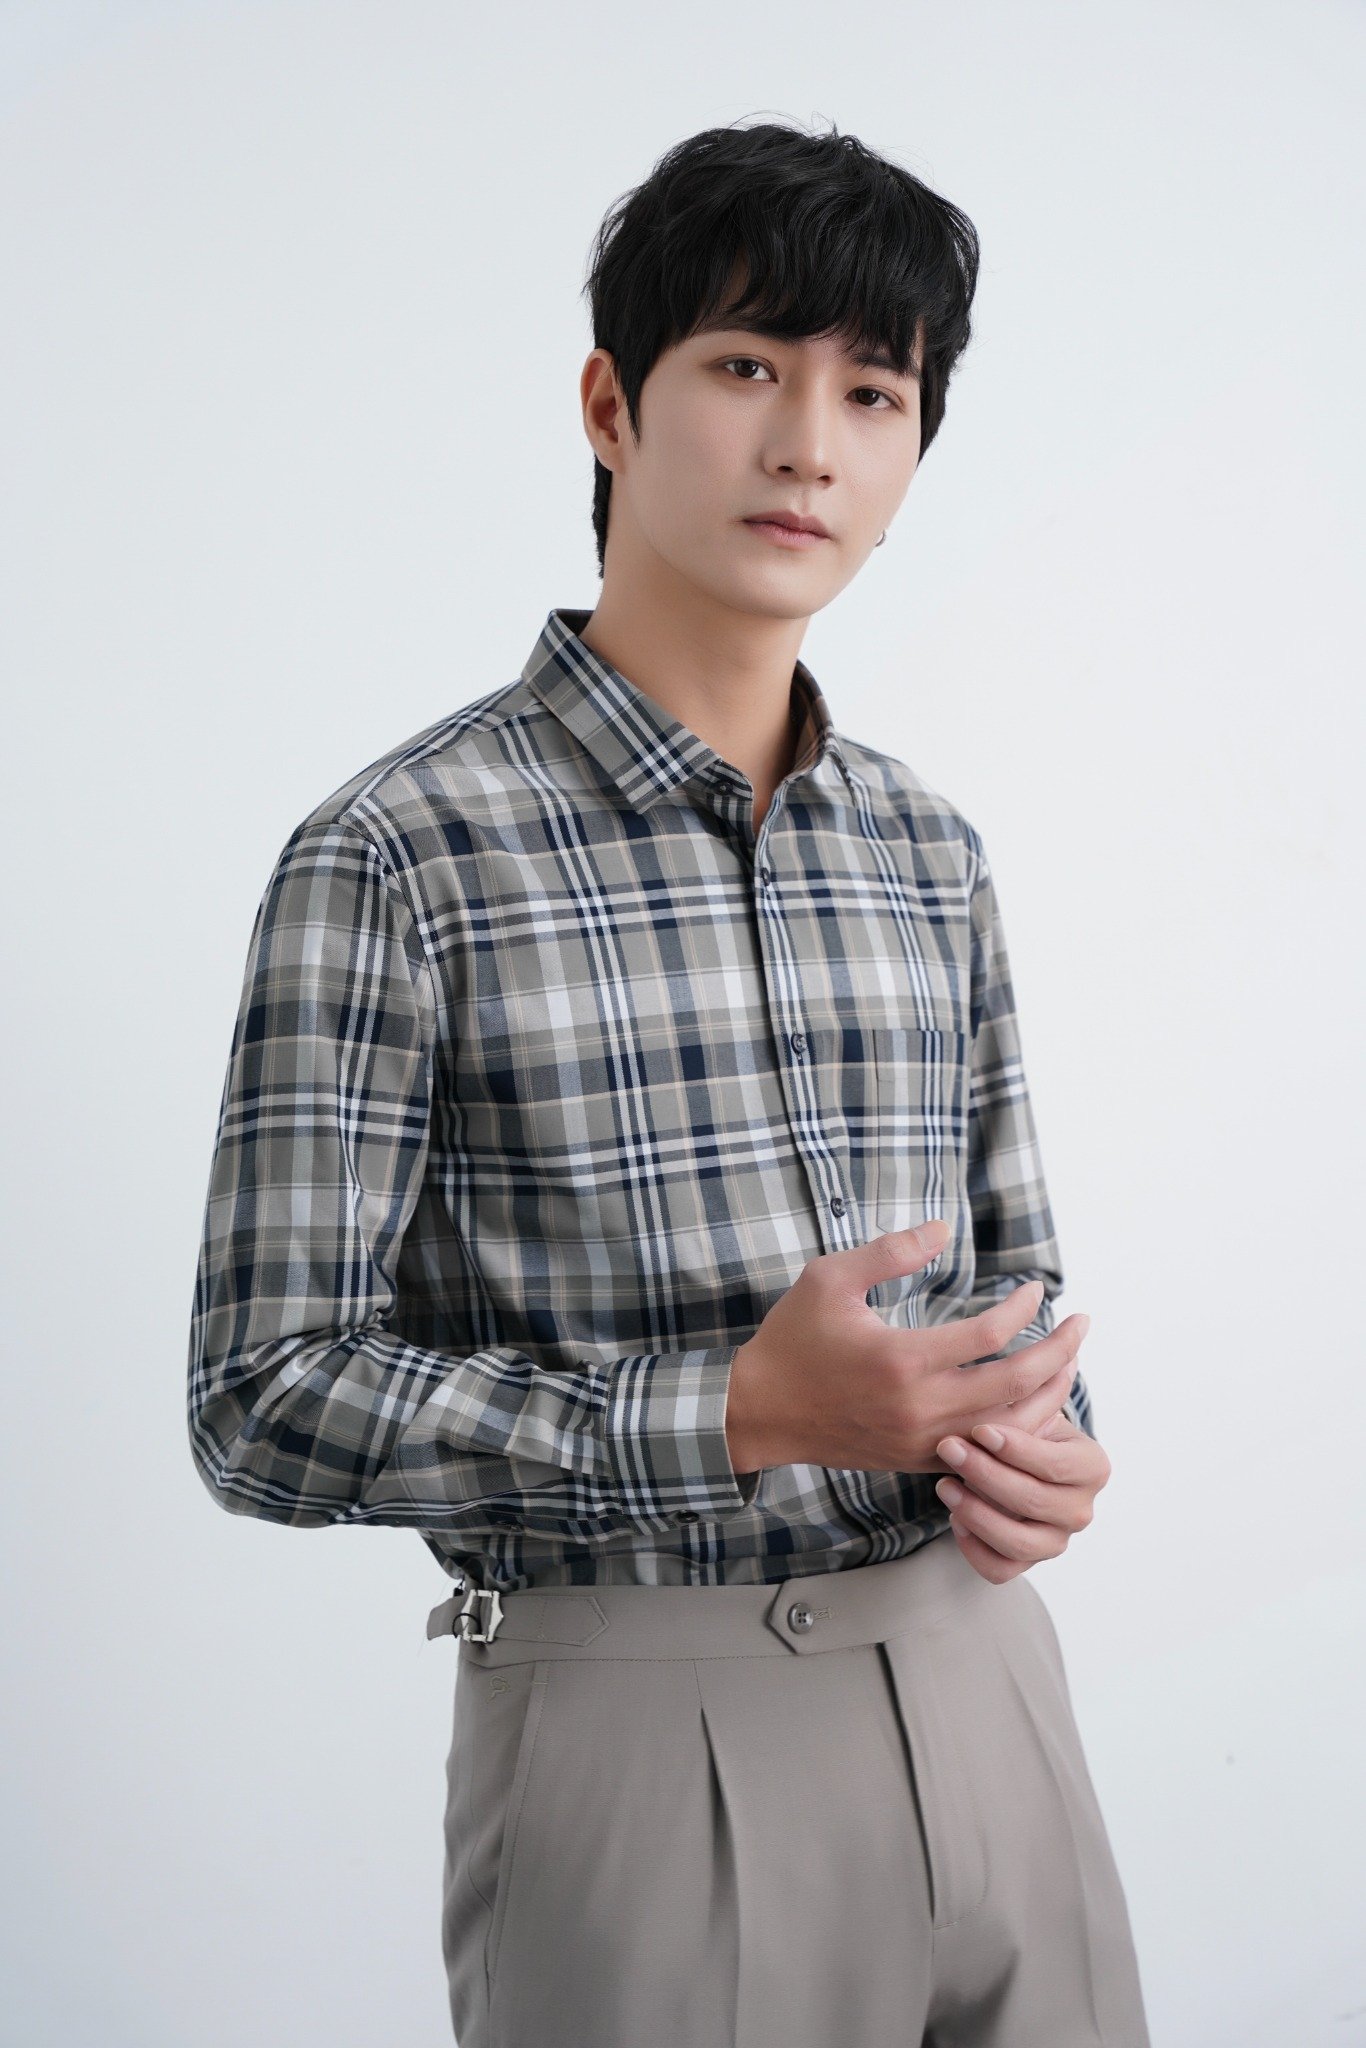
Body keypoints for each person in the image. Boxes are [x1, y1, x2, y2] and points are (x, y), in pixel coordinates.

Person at [187, 115, 1150, 2048]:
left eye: (871, 393)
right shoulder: (397, 853)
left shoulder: (926, 850)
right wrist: (728, 1415)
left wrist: (1041, 1442)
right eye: (745, 366)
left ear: (910, 457)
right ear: (610, 408)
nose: (808, 443)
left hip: (990, 1694)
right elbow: (260, 1399)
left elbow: (1013, 1288)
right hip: (647, 1738)